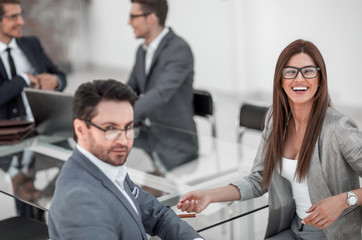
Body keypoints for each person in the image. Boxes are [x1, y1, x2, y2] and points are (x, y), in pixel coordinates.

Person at [177, 39, 362, 240]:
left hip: (332, 235)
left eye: (308, 71)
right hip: (294, 228)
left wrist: (345, 200)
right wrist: (210, 195)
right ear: (280, 80)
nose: (299, 79)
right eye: (290, 72)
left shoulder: (338, 127)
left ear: (320, 78)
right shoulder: (276, 119)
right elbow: (259, 179)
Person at [48, 79, 203, 240]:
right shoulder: (79, 201)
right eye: (110, 128)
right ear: (81, 129)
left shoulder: (108, 167)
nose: (123, 140)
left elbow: (158, 215)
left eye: (128, 127)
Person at [127, 0, 198, 171]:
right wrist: (107, 108)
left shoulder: (179, 49)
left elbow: (161, 93)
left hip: (177, 144)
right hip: (149, 137)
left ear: (151, 18)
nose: (129, 22)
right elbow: (129, 90)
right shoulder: (141, 51)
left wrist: (124, 116)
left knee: (127, 180)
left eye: (133, 17)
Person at [0, 0, 66, 120]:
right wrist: (23, 79)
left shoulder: (32, 44)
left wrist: (55, 81)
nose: (21, 22)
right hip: (5, 131)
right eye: (13, 17)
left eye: (20, 15)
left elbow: (60, 75)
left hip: (40, 124)